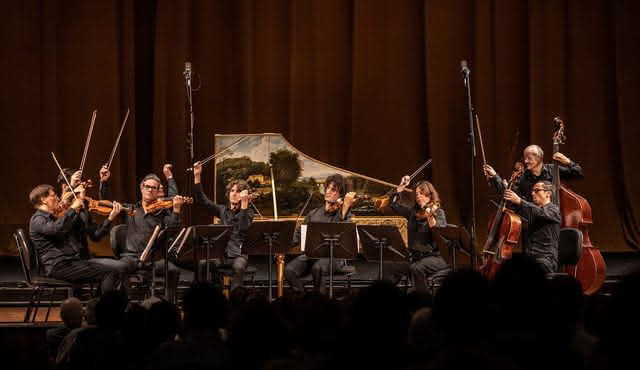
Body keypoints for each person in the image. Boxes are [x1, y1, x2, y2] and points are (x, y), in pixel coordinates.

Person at [28, 184, 121, 292]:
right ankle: (100, 306)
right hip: (59, 266)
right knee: (110, 271)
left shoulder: (50, 218)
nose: (58, 198)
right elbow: (57, 229)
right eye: (53, 196)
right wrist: (72, 208)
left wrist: (78, 209)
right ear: (43, 200)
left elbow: (65, 226)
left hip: (69, 263)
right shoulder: (37, 219)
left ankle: (96, 305)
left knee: (114, 269)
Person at [285, 174, 356, 295]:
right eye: (327, 188)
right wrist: (282, 246)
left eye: (333, 189)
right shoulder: (313, 213)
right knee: (289, 270)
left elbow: (344, 235)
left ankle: (320, 302)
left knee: (318, 268)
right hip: (311, 255)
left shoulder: (345, 214)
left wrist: (344, 208)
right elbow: (298, 235)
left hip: (334, 257)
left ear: (341, 195)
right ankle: (303, 299)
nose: (328, 192)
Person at [192, 161, 254, 290]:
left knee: (239, 267)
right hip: (221, 255)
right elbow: (203, 200)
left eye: (238, 191)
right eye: (232, 190)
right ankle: (202, 295)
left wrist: (244, 204)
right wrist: (197, 176)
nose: (234, 193)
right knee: (203, 263)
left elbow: (243, 227)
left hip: (238, 255)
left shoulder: (248, 212)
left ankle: (236, 301)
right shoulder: (222, 210)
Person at [382, 176, 448, 292]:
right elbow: (393, 204)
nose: (418, 196)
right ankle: (386, 296)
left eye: (422, 193)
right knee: (389, 265)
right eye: (417, 194)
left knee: (416, 268)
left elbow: (440, 234)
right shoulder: (413, 212)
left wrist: (430, 217)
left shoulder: (438, 212)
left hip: (436, 257)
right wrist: (402, 186)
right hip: (415, 256)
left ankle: (423, 300)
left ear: (430, 195)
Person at [483, 144, 583, 203]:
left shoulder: (553, 169)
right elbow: (508, 192)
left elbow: (578, 174)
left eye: (529, 158)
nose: (525, 161)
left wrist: (568, 162)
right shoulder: (523, 176)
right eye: (525, 158)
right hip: (533, 224)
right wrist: (495, 176)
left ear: (539, 158)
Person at [504, 180, 561, 273]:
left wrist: (520, 201)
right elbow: (517, 202)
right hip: (531, 258)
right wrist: (495, 178)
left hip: (546, 260)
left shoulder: (554, 210)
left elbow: (540, 213)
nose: (533, 193)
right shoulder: (533, 211)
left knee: (527, 270)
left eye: (537, 190)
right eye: (532, 191)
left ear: (548, 193)